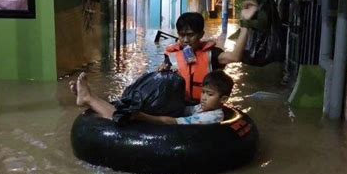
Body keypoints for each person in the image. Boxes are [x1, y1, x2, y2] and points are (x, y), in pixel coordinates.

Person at [162, 2, 257, 104]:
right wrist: (161, 72)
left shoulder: (212, 54)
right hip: (179, 106)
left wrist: (246, 24)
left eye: (190, 35)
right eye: (181, 35)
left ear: (201, 34)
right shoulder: (172, 55)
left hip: (203, 107)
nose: (185, 40)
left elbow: (235, 57)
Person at [69, 70, 234, 125]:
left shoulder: (212, 116)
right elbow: (182, 109)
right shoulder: (202, 107)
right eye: (204, 92)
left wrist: (143, 116)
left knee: (127, 118)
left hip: (178, 135)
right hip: (177, 120)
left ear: (223, 99)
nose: (204, 97)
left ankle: (89, 99)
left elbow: (173, 121)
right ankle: (88, 99)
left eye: (210, 94)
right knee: (129, 108)